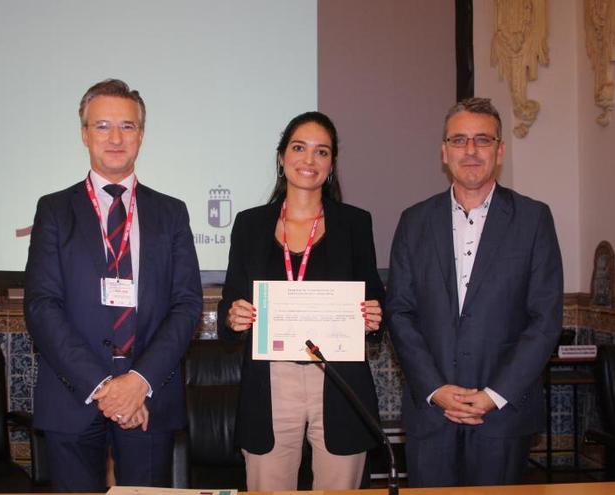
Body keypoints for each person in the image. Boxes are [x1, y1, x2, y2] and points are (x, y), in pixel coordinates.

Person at [24, 78, 202, 491]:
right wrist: (104, 388)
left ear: (141, 134)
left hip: (150, 395)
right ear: (84, 133)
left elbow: (187, 305)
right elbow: (41, 306)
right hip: (73, 396)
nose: (116, 138)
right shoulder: (54, 210)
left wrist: (138, 382)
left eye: (128, 126)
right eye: (102, 126)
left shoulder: (171, 213)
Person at [385, 97, 563, 487]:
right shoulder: (414, 221)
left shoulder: (534, 219)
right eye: (459, 140)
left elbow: (545, 319)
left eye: (482, 140)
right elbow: (399, 312)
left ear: (499, 151)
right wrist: (436, 389)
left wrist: (494, 394)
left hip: (501, 416)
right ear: (443, 151)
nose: (470, 151)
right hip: (431, 414)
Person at [217, 111, 385, 491]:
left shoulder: (355, 224)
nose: (309, 160)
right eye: (299, 148)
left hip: (338, 377)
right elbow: (230, 305)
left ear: (332, 164)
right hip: (272, 378)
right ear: (281, 156)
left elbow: (373, 295)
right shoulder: (249, 224)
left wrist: (373, 315)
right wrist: (235, 317)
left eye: (321, 152)